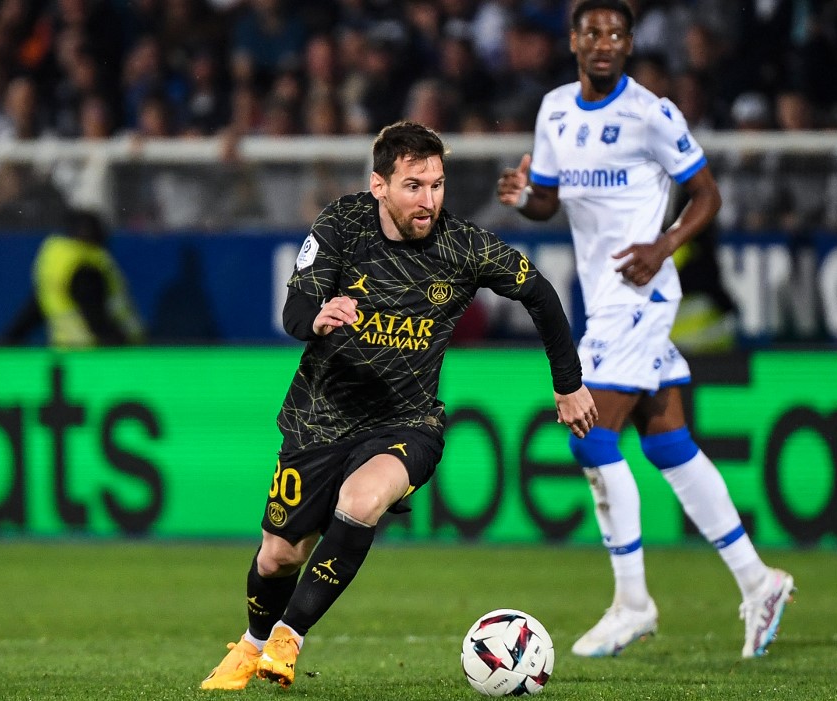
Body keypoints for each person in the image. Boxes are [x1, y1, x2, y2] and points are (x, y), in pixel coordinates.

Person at [200, 120, 598, 691]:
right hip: (320, 418)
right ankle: (253, 644)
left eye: (437, 185)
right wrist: (315, 317)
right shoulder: (341, 225)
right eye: (414, 185)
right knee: (278, 557)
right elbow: (296, 309)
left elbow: (538, 292)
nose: (429, 200)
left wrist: (568, 383)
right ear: (379, 185)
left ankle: (290, 636)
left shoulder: (462, 246)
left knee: (361, 500)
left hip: (406, 421)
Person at [496, 0, 794, 659]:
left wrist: (664, 243)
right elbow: (550, 198)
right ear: (573, 41)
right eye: (591, 32)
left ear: (629, 44)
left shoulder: (651, 113)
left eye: (616, 33)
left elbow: (707, 192)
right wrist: (523, 195)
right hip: (601, 297)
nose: (603, 43)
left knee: (590, 432)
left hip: (640, 291)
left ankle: (633, 601)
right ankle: (759, 578)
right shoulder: (554, 111)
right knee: (668, 444)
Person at [0, 208, 145, 347]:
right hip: (99, 356)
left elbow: (33, 311)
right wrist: (123, 346)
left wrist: (8, 339)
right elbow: (97, 320)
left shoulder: (57, 264)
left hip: (67, 355)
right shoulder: (86, 268)